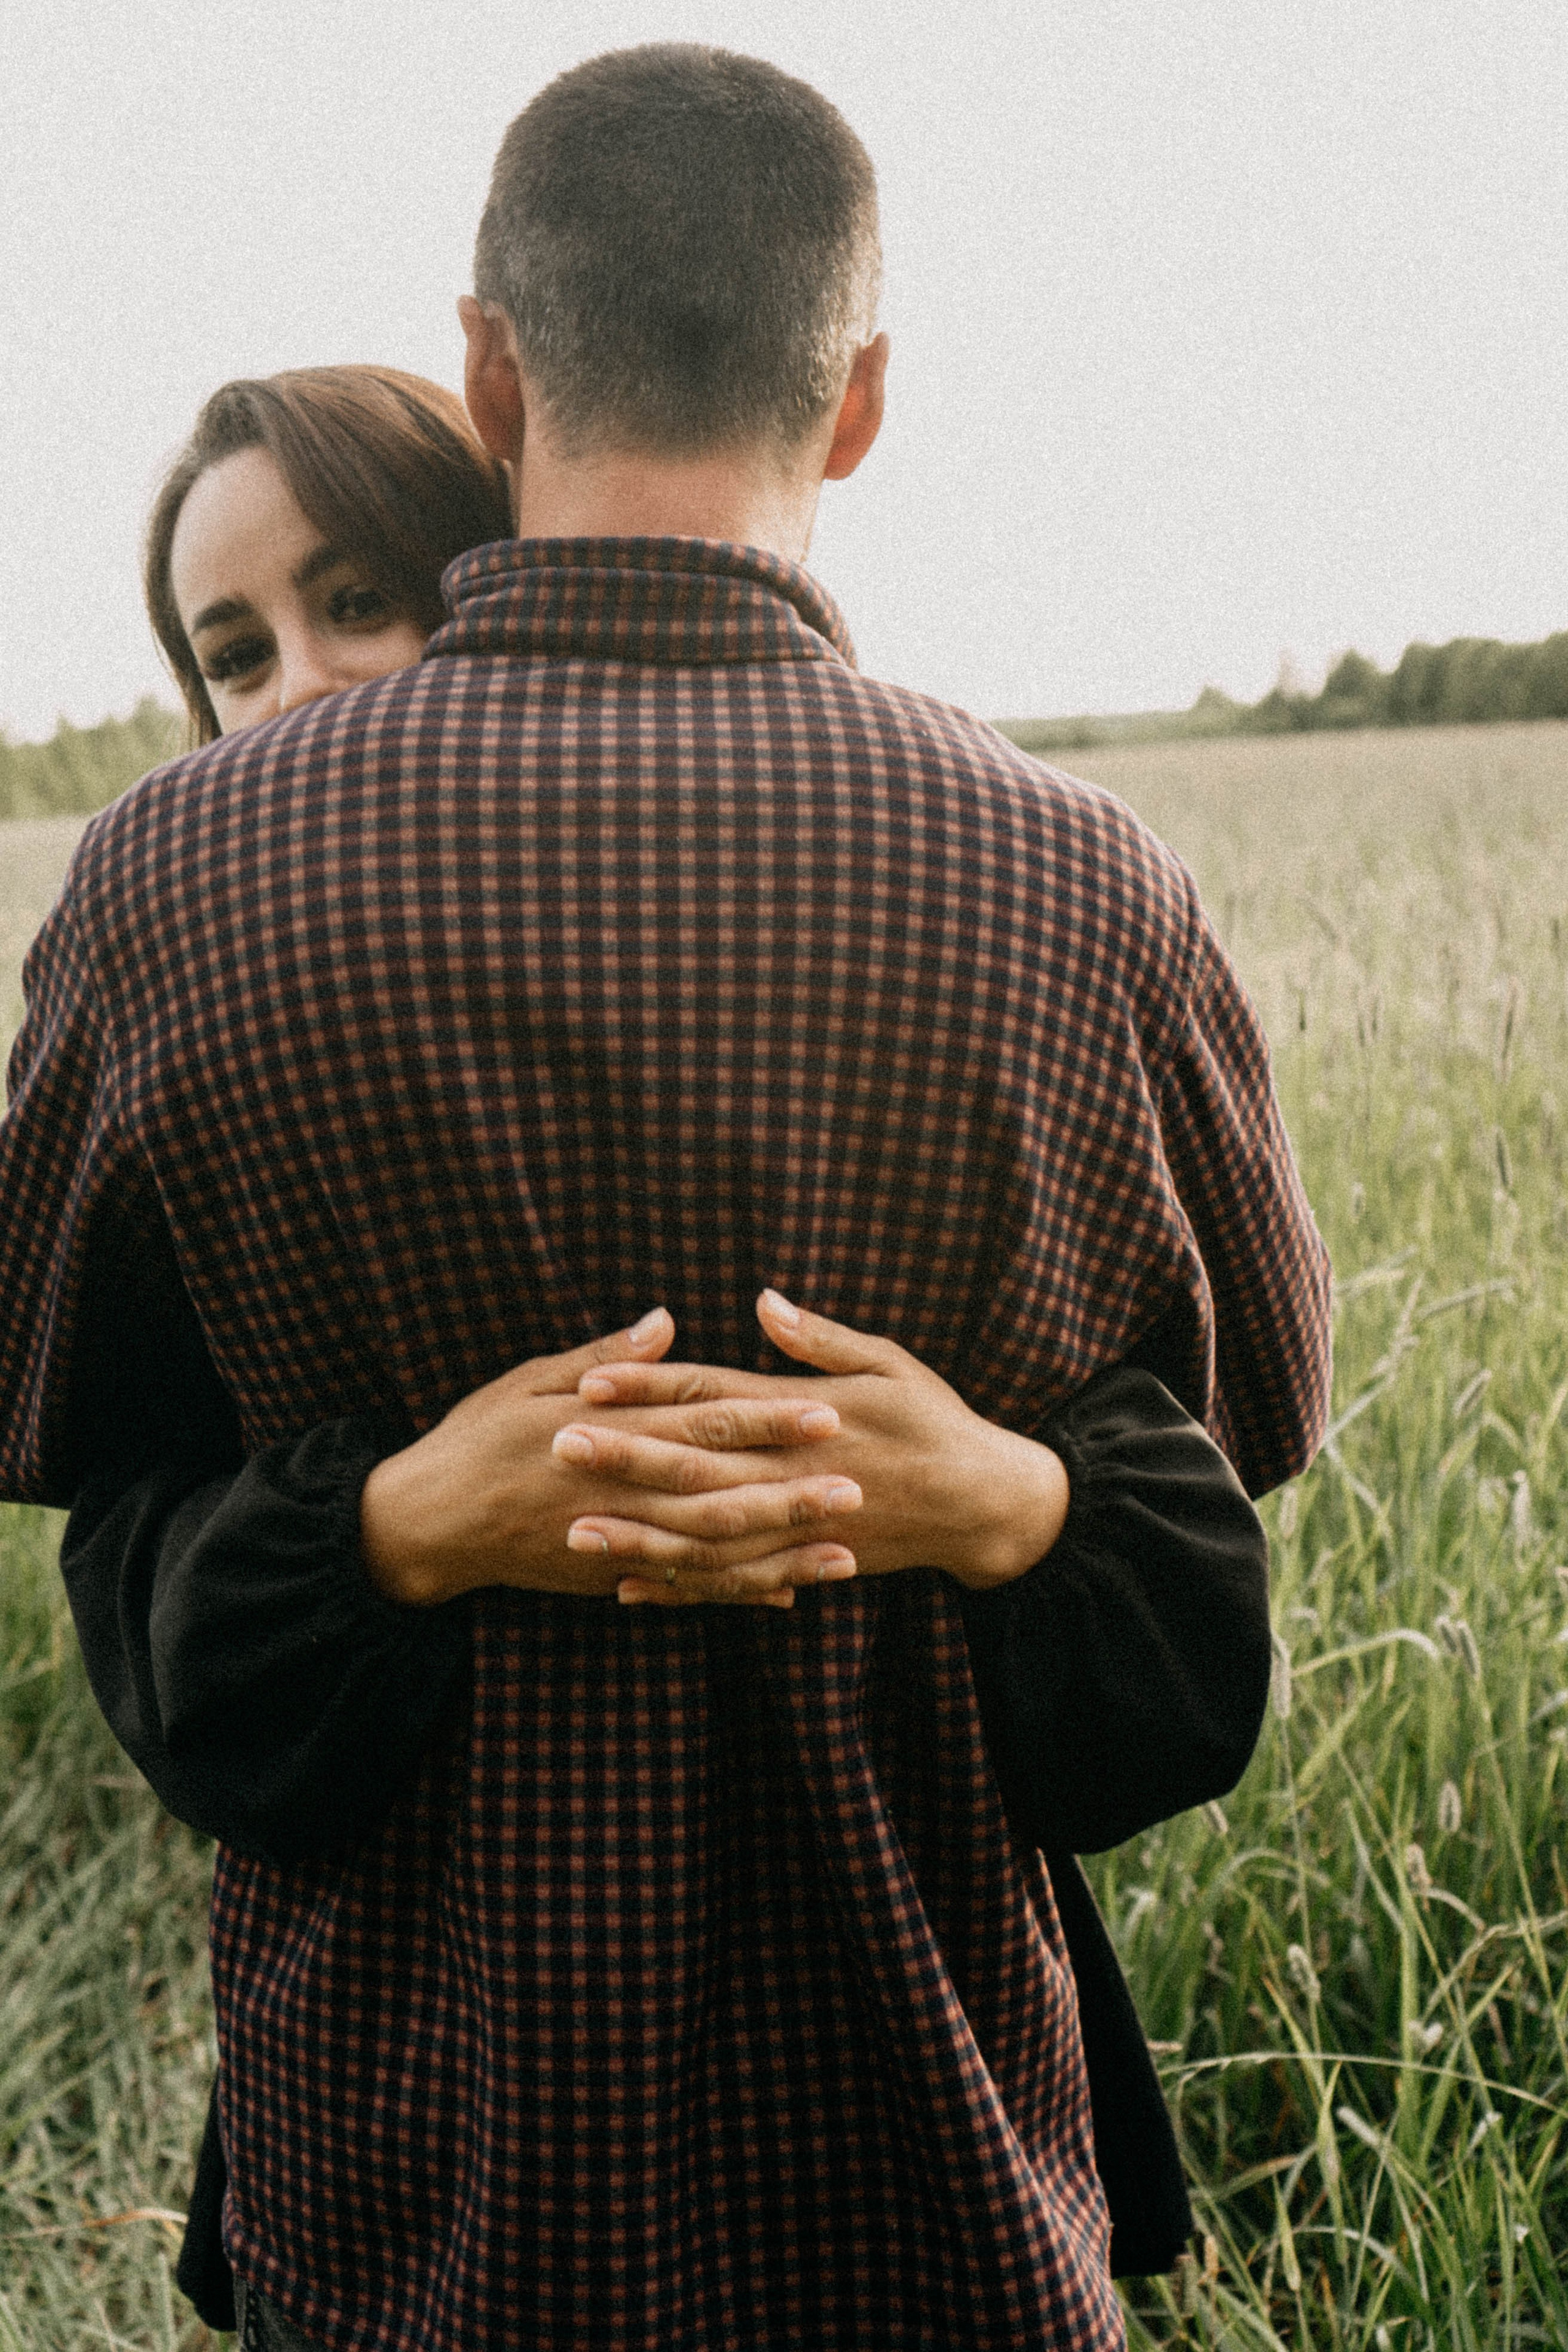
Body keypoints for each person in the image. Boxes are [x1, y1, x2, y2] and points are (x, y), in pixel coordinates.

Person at [0, 45, 1331, 2352]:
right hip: (930, 2185)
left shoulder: (162, 891)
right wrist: (1002, 1488)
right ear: (867, 399)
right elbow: (1226, 1539)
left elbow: (81, 1477)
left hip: (411, 2199)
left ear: (491, 373)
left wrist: (985, 1493)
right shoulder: (1093, 889)